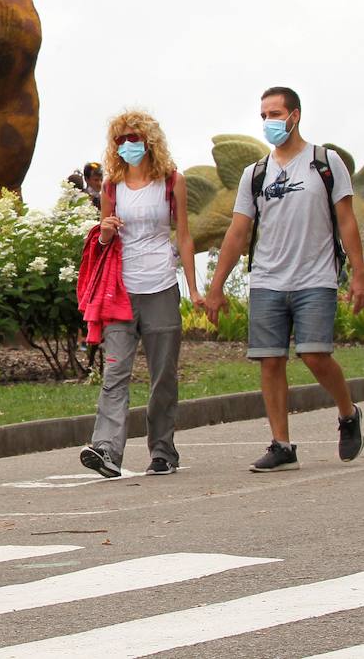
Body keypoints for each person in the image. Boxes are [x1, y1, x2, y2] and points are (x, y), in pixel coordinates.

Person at [204, 86, 364, 471]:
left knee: (313, 353)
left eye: (275, 114)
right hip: (267, 279)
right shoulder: (255, 174)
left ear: (295, 116)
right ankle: (281, 444)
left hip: (316, 276)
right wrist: (216, 285)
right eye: (263, 116)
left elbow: (346, 221)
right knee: (270, 361)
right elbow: (238, 231)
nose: (268, 122)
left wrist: (359, 275)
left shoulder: (324, 163)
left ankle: (348, 413)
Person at [78, 110, 199, 479]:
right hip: (120, 290)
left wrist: (194, 288)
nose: (127, 146)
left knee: (163, 374)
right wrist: (106, 231)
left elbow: (184, 235)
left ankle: (162, 450)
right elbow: (103, 238)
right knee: (115, 372)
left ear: (149, 141)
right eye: (120, 140)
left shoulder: (171, 181)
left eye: (134, 138)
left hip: (160, 285)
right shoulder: (111, 185)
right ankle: (106, 450)